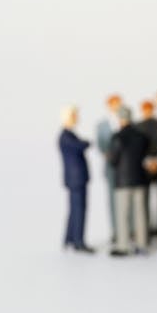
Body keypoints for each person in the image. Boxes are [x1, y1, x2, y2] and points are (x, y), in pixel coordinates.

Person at [108, 107, 150, 256]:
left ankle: (123, 246)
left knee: (123, 214)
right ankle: (142, 245)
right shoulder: (142, 136)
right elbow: (146, 152)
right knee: (141, 213)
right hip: (140, 178)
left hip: (123, 180)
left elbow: (113, 160)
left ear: (120, 119)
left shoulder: (117, 137)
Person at [58, 106, 95, 253]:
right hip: (76, 179)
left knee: (74, 210)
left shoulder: (69, 135)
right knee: (79, 210)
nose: (77, 118)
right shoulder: (66, 136)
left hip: (76, 179)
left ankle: (70, 238)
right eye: (74, 116)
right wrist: (86, 142)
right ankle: (78, 242)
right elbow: (81, 145)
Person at [137, 100, 157, 243]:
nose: (147, 112)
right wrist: (149, 162)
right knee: (145, 200)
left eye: (149, 109)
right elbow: (137, 148)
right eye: (145, 110)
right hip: (145, 168)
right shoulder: (137, 126)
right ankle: (146, 230)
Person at [96, 94, 123, 242]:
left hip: (126, 167)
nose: (117, 107)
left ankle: (129, 230)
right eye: (114, 104)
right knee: (113, 200)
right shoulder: (102, 125)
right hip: (111, 167)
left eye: (119, 104)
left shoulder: (126, 121)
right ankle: (115, 231)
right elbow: (101, 145)